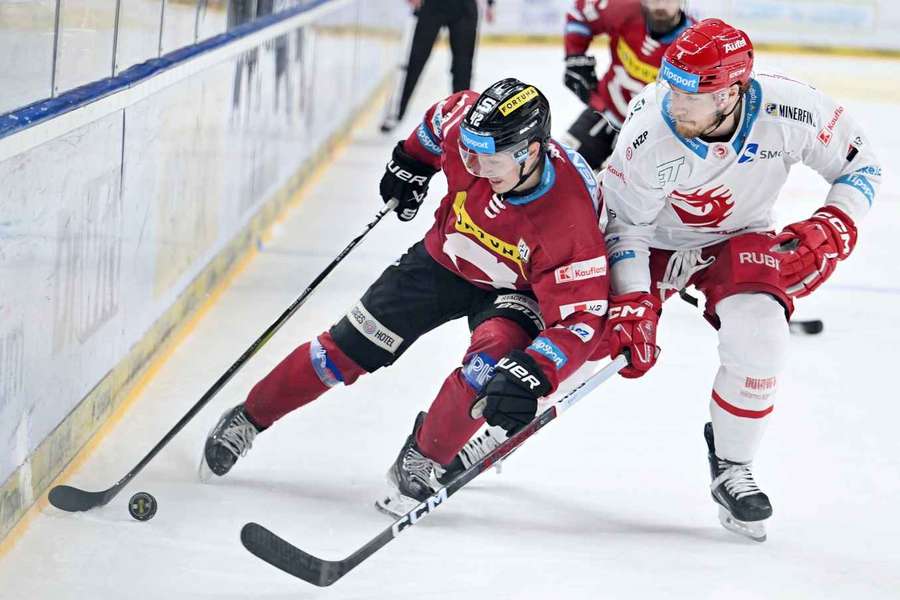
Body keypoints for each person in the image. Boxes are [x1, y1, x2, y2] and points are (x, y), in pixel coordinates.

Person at [202, 78, 611, 516]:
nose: (475, 168)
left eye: (489, 160)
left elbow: (582, 319)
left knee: (491, 367)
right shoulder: (467, 135)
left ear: (529, 151)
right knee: (340, 353)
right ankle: (249, 416)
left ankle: (423, 459)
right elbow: (441, 119)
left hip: (517, 291)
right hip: (442, 263)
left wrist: (536, 368)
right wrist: (410, 161)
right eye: (470, 155)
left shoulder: (571, 221)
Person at [600, 18, 881, 541]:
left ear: (732, 92)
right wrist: (635, 300)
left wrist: (836, 221)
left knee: (762, 338)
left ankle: (731, 465)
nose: (673, 102)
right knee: (584, 344)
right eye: (671, 84)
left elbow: (862, 164)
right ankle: (472, 434)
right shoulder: (647, 133)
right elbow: (624, 228)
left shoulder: (791, 110)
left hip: (737, 236)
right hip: (652, 240)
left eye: (691, 94)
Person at [562, 0, 694, 170]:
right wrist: (574, 58)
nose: (661, 6)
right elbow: (579, 14)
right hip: (604, 112)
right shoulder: (622, 8)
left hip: (651, 135)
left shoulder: (692, 46)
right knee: (561, 172)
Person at [380, 0, 495, 133]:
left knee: (463, 67)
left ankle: (462, 117)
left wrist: (491, 4)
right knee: (414, 61)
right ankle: (395, 113)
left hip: (465, 7)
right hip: (431, 5)